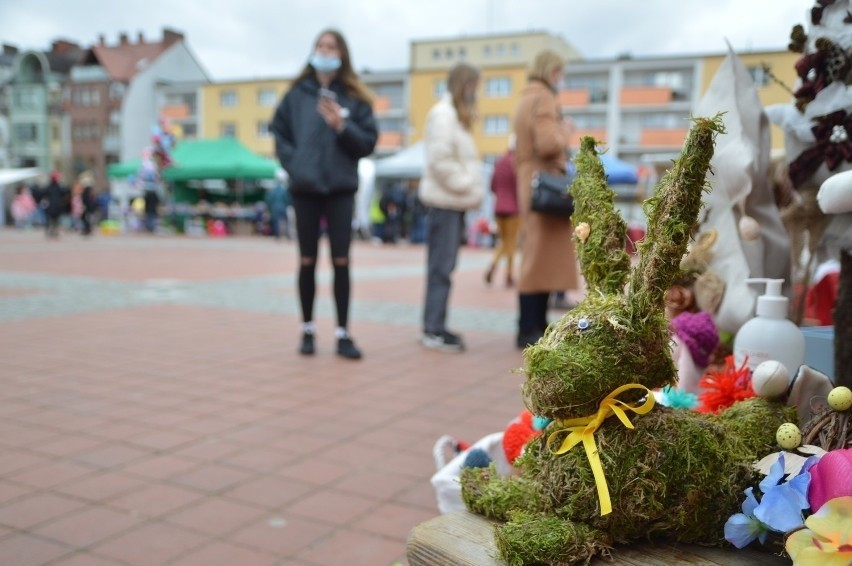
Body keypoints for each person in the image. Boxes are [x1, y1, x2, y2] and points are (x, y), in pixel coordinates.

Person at [271, 28, 378, 360]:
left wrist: (341, 126)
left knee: (341, 261)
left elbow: (367, 144)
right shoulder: (296, 95)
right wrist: (297, 165)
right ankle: (307, 329)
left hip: (340, 189)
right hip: (305, 188)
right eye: (319, 45)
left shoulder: (355, 98)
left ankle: (343, 333)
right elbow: (281, 135)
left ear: (341, 53)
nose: (324, 50)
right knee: (306, 260)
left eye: (330, 46)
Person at [513, 50, 580, 349]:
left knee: (536, 256)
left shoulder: (526, 97)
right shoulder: (544, 98)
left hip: (531, 181)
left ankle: (533, 324)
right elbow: (549, 142)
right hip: (545, 182)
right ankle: (529, 327)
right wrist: (565, 130)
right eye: (560, 72)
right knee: (537, 258)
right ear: (552, 71)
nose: (561, 78)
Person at [419, 63, 484, 352]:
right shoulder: (444, 115)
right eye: (473, 85)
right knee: (440, 269)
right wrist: (467, 184)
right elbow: (440, 159)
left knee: (444, 268)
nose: (476, 92)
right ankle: (432, 329)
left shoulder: (454, 116)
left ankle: (436, 325)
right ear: (463, 84)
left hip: (452, 203)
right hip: (445, 202)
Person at [485, 136, 520, 287]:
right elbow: (520, 187)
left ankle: (493, 264)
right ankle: (509, 274)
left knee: (504, 241)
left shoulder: (499, 162)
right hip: (514, 209)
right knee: (511, 242)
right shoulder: (517, 163)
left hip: (499, 208)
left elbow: (492, 186)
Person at [266, 170, 292, 239]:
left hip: (275, 208)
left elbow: (269, 199)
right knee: (286, 221)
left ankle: (277, 234)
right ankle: (287, 234)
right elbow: (287, 198)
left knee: (276, 221)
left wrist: (270, 207)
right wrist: (288, 204)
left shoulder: (272, 189)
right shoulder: (284, 189)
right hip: (283, 207)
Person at [42, 171, 65, 239]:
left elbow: (44, 194)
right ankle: (54, 230)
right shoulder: (58, 187)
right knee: (55, 220)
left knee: (49, 219)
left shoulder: (49, 186)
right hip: (57, 206)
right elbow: (63, 193)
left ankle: (50, 230)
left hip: (50, 206)